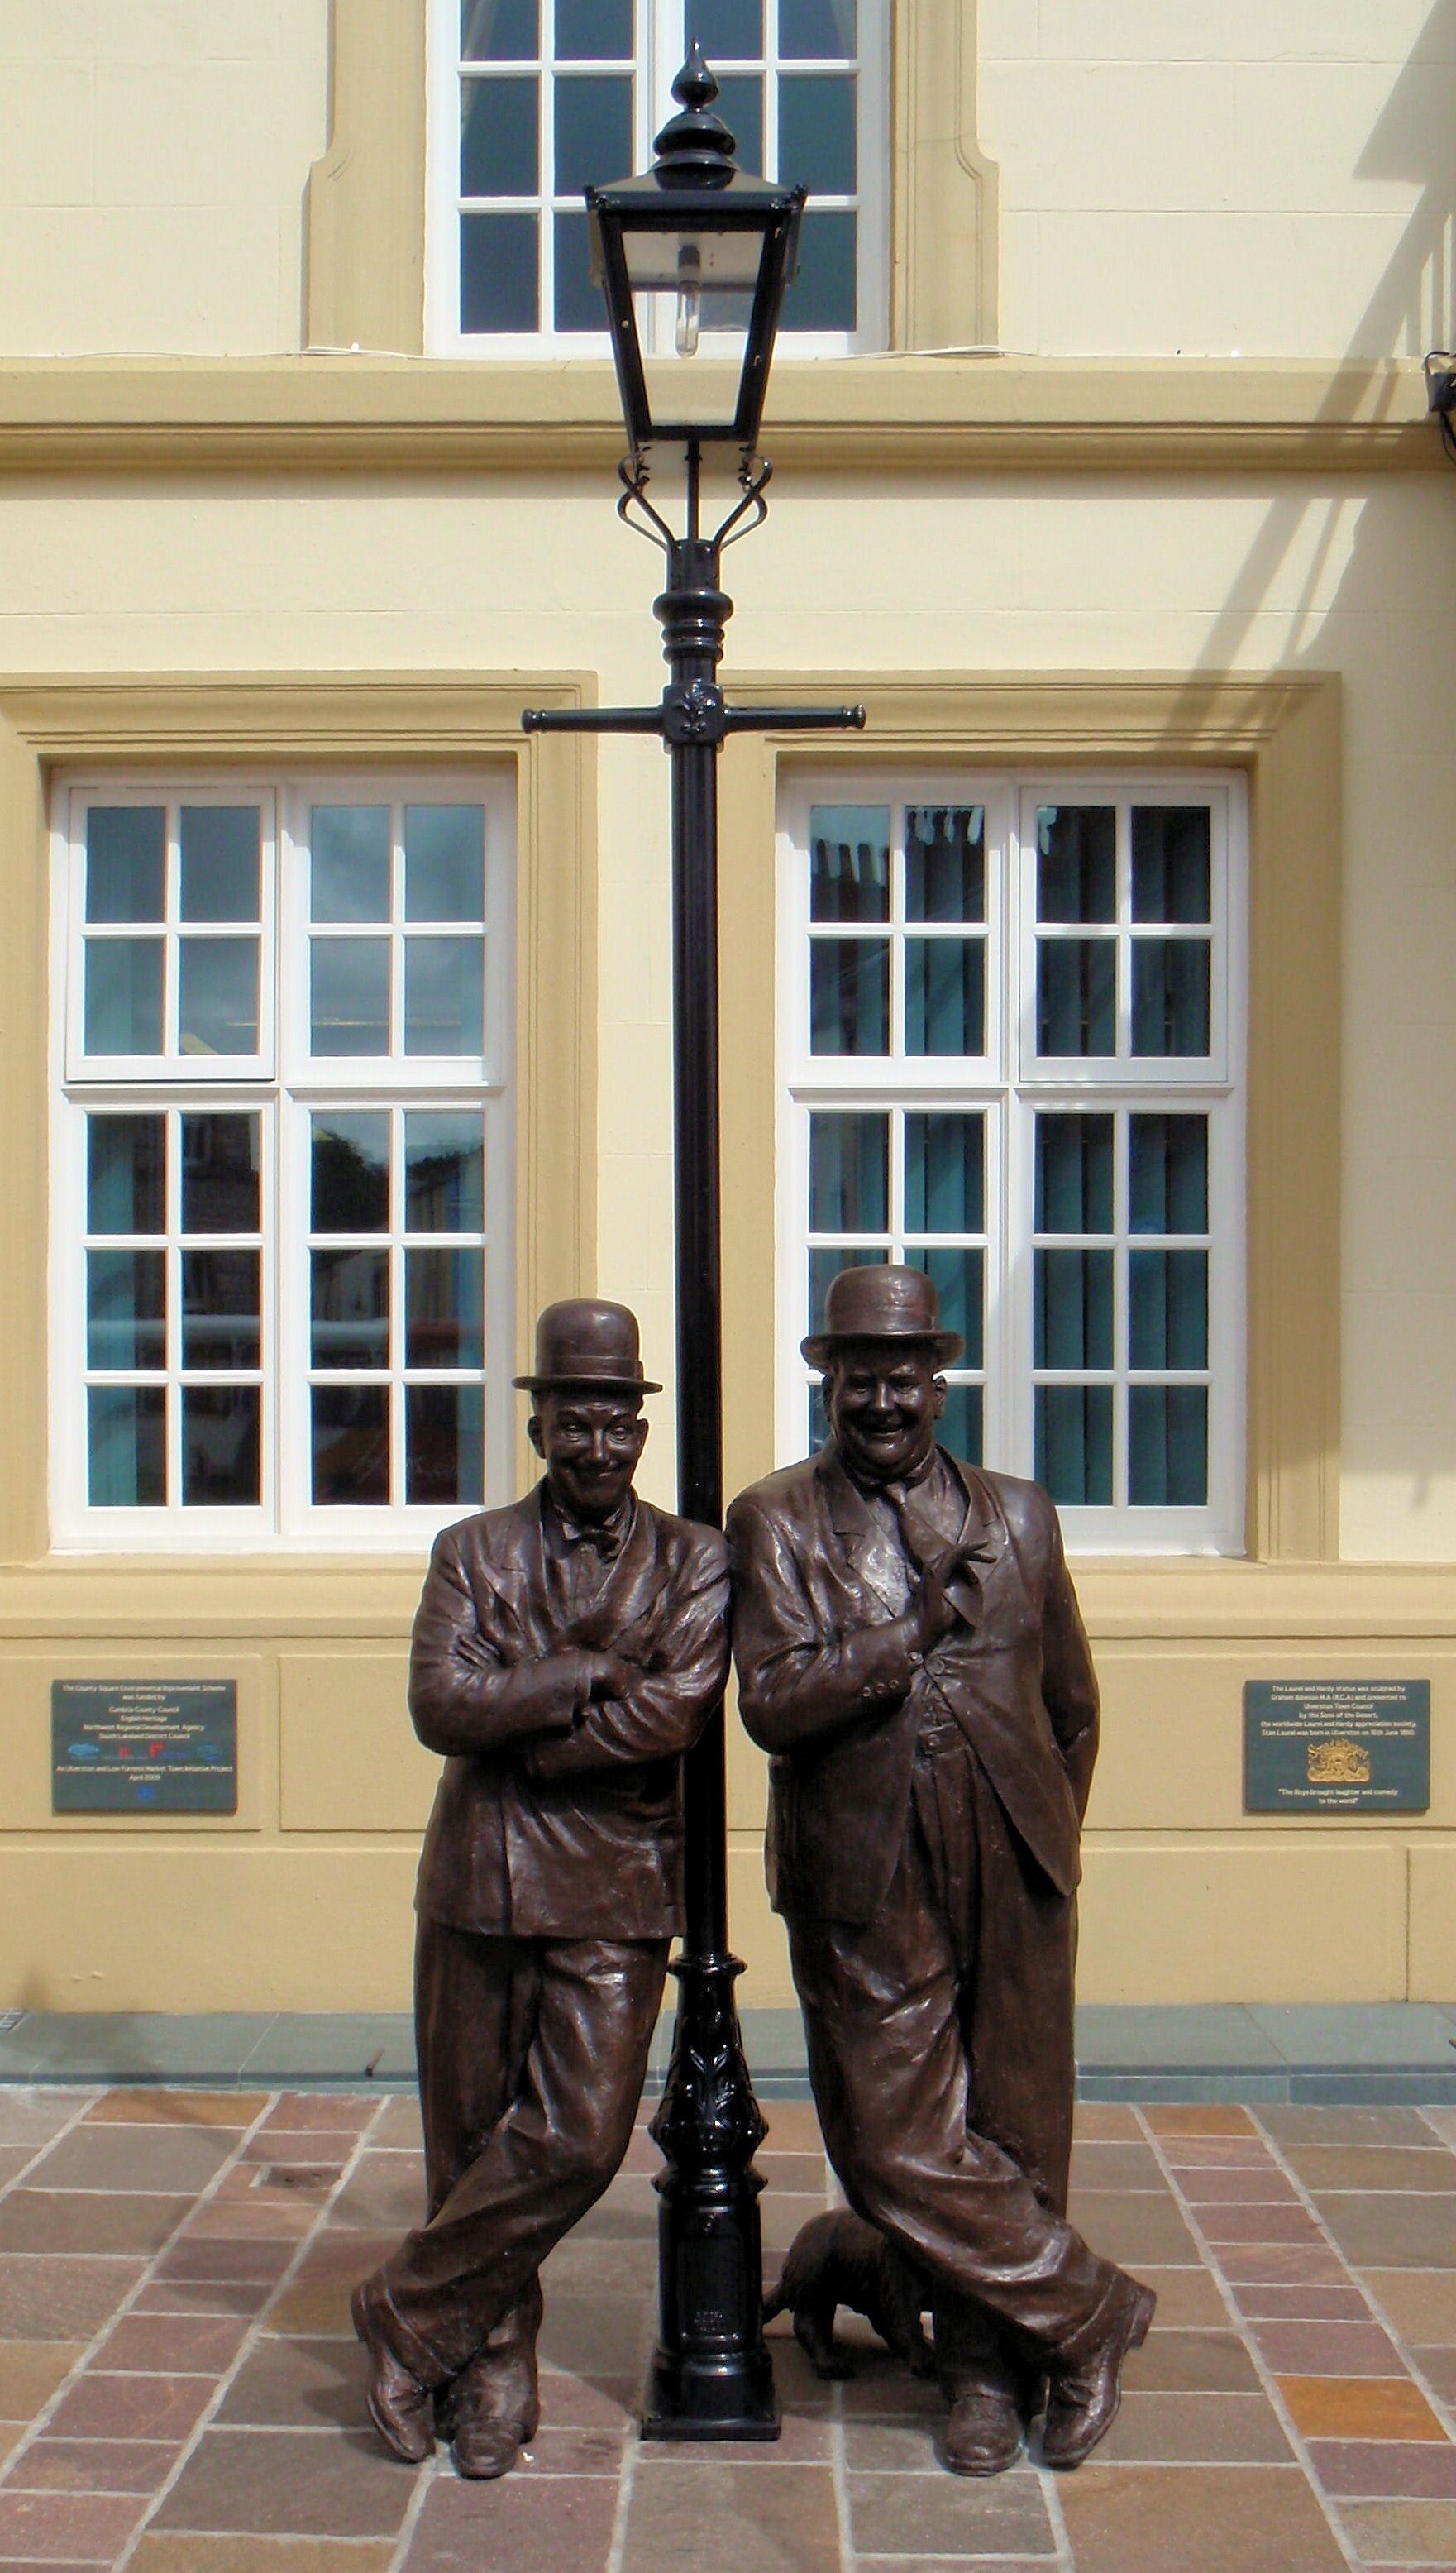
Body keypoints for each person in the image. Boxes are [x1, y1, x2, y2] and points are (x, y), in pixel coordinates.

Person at [727, 1265, 1154, 2476]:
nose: (880, 1400)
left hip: (1010, 1848)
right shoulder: (775, 1521)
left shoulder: (1020, 1514)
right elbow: (773, 1704)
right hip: (864, 1865)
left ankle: (983, 2371)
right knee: (891, 2139)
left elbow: (1069, 1703)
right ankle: (1089, 2315)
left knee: (1017, 2126)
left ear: (937, 1381)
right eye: (857, 1377)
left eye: (902, 1377)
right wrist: (904, 1634)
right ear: (825, 1380)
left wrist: (1042, 1832)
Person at [352, 1299, 729, 2479]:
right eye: (575, 1421)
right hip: (474, 1882)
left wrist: (528, 1726)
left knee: (573, 2137)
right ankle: (490, 2362)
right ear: (539, 1425)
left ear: (640, 1428)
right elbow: (437, 1708)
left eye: (616, 1423)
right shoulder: (470, 1551)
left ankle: (405, 2309)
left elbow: (675, 1713)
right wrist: (580, 1675)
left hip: (614, 1888)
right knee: (468, 2139)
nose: (597, 1447)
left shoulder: (695, 1559)